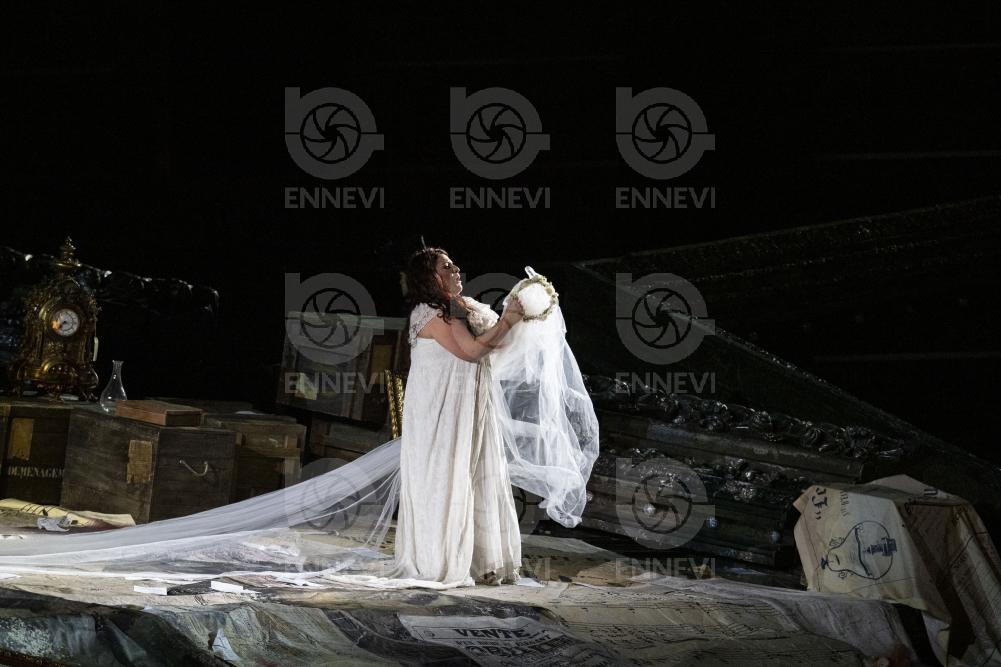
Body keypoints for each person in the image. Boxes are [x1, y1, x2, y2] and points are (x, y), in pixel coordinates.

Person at [385, 246, 526, 587]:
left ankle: (480, 560)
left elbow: (492, 346)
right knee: (445, 476)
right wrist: (507, 320)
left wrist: (523, 318)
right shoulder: (431, 313)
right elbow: (472, 351)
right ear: (430, 277)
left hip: (468, 404)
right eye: (447, 266)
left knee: (474, 472)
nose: (456, 269)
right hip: (441, 409)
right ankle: (439, 559)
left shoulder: (459, 306)